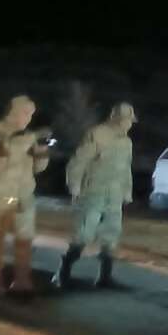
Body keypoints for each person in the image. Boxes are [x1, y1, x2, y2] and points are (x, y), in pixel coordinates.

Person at [55, 103, 136, 288]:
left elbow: (126, 169)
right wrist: (74, 185)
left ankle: (105, 276)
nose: (129, 124)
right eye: (126, 120)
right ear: (116, 118)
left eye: (130, 121)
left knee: (111, 234)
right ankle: (63, 272)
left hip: (114, 195)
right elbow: (79, 161)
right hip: (94, 192)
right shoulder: (97, 134)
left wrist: (127, 191)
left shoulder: (126, 142)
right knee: (84, 232)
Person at [0, 95, 51, 295]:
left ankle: (22, 281)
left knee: (24, 241)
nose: (29, 117)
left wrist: (43, 148)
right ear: (13, 111)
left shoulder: (28, 136)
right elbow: (2, 149)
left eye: (31, 114)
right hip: (1, 196)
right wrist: (31, 138)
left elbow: (39, 167)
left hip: (23, 196)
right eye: (25, 112)